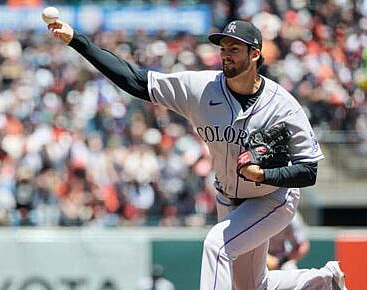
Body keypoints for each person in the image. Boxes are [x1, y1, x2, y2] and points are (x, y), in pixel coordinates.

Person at [46, 19, 347, 290]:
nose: (226, 54)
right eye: (223, 47)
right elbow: (136, 81)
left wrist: (265, 174)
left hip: (273, 197)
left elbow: (309, 171)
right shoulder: (201, 89)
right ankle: (323, 280)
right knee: (253, 287)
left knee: (217, 245)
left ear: (255, 54)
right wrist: (78, 41)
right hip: (229, 198)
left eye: (235, 48)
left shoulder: (283, 106)